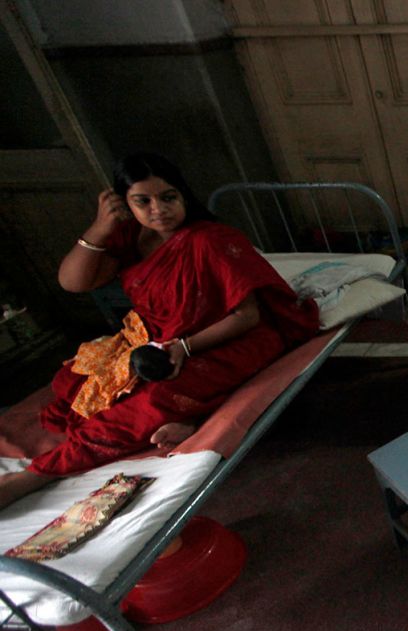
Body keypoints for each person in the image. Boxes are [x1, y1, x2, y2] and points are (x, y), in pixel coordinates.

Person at [0, 152, 319, 509]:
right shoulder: (133, 241)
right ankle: (189, 416)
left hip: (230, 337)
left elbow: (247, 316)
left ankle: (35, 476)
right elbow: (72, 282)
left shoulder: (209, 240)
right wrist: (100, 228)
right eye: (143, 201)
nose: (158, 210)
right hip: (161, 339)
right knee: (70, 381)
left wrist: (183, 346)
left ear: (183, 196)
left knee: (152, 400)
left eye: (168, 197)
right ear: (125, 204)